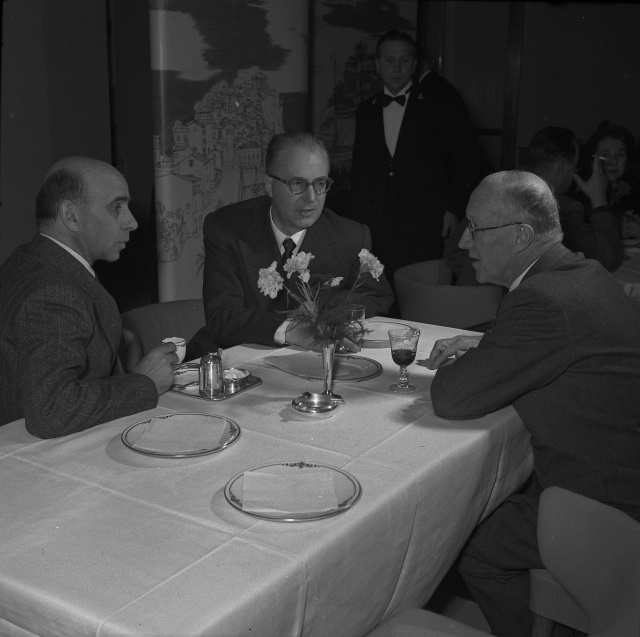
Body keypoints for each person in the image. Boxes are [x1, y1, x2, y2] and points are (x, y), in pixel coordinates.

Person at [427, 170, 640, 636]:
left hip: (613, 505)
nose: (463, 241)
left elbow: (451, 397)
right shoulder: (581, 273)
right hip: (622, 473)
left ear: (521, 236)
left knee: (468, 542)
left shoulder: (543, 299)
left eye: (475, 227)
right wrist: (493, 346)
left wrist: (471, 357)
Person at [0, 157, 178, 438]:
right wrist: (144, 382)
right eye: (116, 207)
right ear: (71, 216)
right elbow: (50, 411)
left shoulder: (29, 261)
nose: (132, 222)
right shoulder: (53, 292)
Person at [187, 132, 394, 355]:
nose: (311, 198)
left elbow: (377, 297)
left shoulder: (351, 236)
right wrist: (290, 330)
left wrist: (328, 316)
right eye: (298, 183)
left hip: (309, 363)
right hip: (231, 357)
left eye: (320, 183)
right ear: (269, 185)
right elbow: (222, 317)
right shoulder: (226, 228)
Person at [349, 30, 483, 289]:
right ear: (377, 64)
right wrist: (356, 225)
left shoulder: (438, 104)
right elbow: (360, 171)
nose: (396, 68)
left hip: (425, 223)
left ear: (414, 64)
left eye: (404, 60)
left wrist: (453, 209)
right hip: (378, 225)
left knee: (420, 295)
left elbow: (467, 159)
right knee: (378, 292)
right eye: (389, 60)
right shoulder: (366, 110)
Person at [444, 126, 624, 284]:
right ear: (564, 166)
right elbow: (609, 259)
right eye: (574, 166)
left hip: (462, 301)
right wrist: (599, 200)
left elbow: (452, 251)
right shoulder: (561, 207)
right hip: (507, 307)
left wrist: (482, 281)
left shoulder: (494, 191)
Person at [580, 123, 640, 238]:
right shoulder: (578, 192)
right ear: (593, 160)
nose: (613, 162)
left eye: (620, 154)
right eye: (605, 154)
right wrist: (616, 230)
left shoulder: (636, 188)